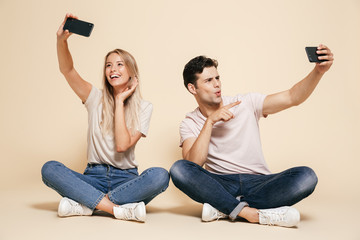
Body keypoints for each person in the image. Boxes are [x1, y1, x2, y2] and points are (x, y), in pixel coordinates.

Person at [170, 45, 334, 227]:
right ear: (193, 88)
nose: (217, 84)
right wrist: (210, 122)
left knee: (307, 176)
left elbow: (291, 97)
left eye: (217, 77)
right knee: (179, 169)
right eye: (209, 80)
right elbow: (192, 165)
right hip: (221, 183)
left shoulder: (246, 103)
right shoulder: (190, 122)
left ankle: (226, 208)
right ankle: (251, 213)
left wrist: (318, 72)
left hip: (259, 182)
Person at [41, 13, 169, 222]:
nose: (112, 69)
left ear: (131, 71)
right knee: (49, 168)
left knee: (160, 176)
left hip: (126, 181)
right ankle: (116, 209)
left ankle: (87, 204)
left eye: (119, 64)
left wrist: (119, 101)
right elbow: (68, 70)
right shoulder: (94, 98)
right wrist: (61, 40)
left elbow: (122, 146)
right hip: (92, 177)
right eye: (108, 65)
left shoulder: (145, 107)